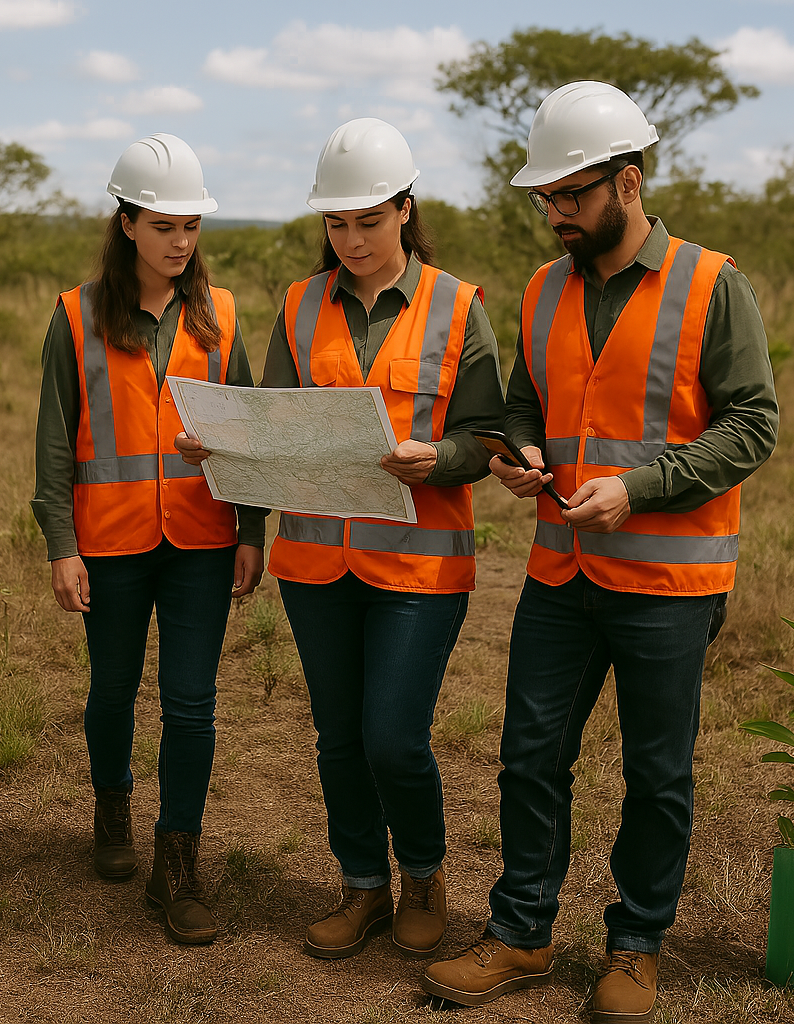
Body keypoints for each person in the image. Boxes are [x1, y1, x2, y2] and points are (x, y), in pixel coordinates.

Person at [422, 82, 779, 1023]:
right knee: (528, 757)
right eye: (545, 200)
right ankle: (522, 933)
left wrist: (640, 488)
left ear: (627, 181)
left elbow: (754, 426)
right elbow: (524, 400)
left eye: (570, 197)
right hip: (558, 571)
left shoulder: (712, 284)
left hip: (671, 579)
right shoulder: (544, 289)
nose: (555, 215)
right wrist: (523, 449)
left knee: (657, 773)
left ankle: (636, 947)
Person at [183, 118, 507, 959]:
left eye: (368, 220)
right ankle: (361, 884)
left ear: (405, 209)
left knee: (392, 736)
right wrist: (222, 443)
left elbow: (485, 440)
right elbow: (274, 428)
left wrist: (437, 458)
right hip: (317, 560)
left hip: (418, 565)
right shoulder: (299, 304)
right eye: (337, 223)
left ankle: (425, 874)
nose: (352, 239)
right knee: (336, 736)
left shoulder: (461, 307)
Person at [30, 133, 265, 945]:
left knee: (192, 703)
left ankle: (178, 863)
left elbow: (251, 433)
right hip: (111, 542)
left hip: (203, 539)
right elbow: (55, 442)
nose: (180, 241)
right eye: (164, 225)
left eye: (191, 226)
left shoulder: (224, 314)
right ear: (125, 222)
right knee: (113, 688)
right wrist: (62, 542)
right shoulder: (74, 314)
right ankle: (111, 805)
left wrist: (252, 530)